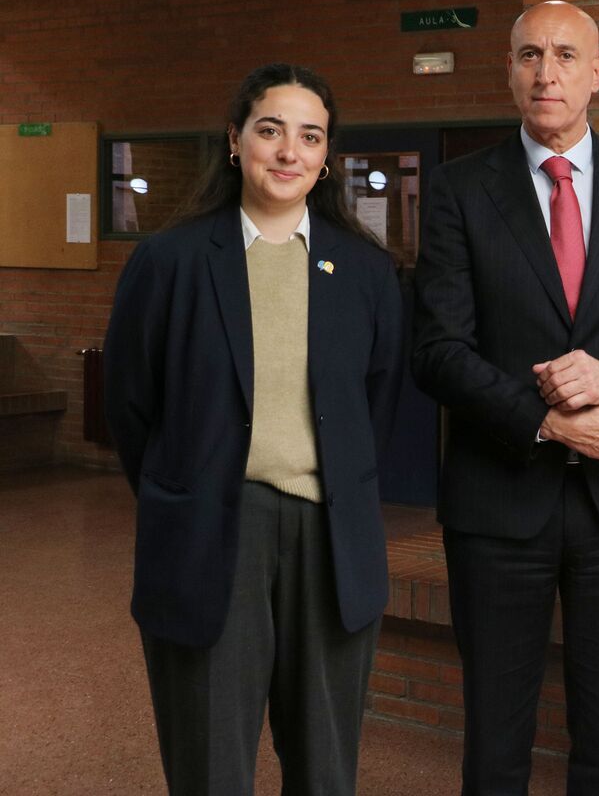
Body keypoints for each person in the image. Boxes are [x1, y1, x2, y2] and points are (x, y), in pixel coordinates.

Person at [411, 0, 599, 795]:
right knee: (497, 729)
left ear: (597, 74)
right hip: (498, 502)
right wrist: (545, 423)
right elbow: (437, 351)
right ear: (509, 71)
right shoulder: (458, 190)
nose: (548, 72)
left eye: (567, 56)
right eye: (530, 55)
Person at [104, 64, 405, 795]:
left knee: (326, 767)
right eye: (270, 130)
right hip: (213, 532)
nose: (288, 151)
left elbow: (378, 404)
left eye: (310, 136)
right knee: (212, 765)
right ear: (235, 141)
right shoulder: (169, 262)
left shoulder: (366, 271)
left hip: (330, 541)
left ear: (327, 157)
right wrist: (185, 487)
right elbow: (131, 405)